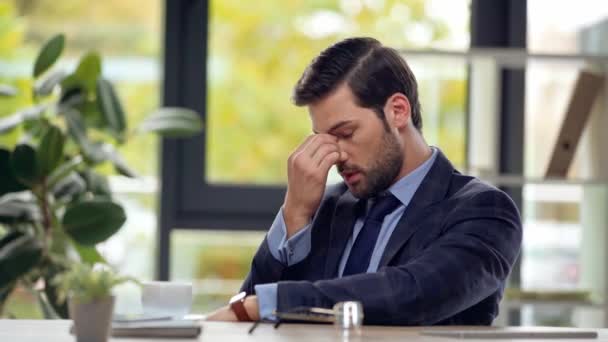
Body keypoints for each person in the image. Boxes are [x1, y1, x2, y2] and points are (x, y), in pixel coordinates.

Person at [206, 37, 522, 325]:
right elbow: (246, 316)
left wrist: (268, 303)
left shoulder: (484, 211)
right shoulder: (327, 207)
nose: (336, 156)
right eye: (324, 139)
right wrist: (295, 214)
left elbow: (415, 294)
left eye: (346, 134)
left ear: (398, 111)